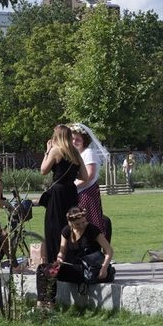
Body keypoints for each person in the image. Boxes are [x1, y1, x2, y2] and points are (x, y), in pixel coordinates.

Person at [36, 206, 114, 308]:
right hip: (74, 267)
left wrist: (104, 268)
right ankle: (42, 303)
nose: (81, 225)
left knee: (52, 271)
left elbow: (109, 251)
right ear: (70, 223)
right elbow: (62, 252)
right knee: (43, 269)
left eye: (83, 222)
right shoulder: (66, 231)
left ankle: (49, 304)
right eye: (77, 224)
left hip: (89, 269)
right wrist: (59, 260)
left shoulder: (93, 230)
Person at [39, 125, 87, 263]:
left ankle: (56, 258)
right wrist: (71, 175)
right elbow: (84, 176)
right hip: (71, 191)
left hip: (58, 192)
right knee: (71, 223)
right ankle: (72, 257)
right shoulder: (75, 152)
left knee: (55, 224)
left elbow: (43, 170)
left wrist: (47, 152)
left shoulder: (56, 151)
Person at [69, 123, 110, 239]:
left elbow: (90, 175)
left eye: (78, 139)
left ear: (84, 141)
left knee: (89, 220)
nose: (74, 142)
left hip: (87, 192)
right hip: (79, 192)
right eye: (72, 139)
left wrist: (72, 186)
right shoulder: (76, 154)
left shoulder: (88, 153)